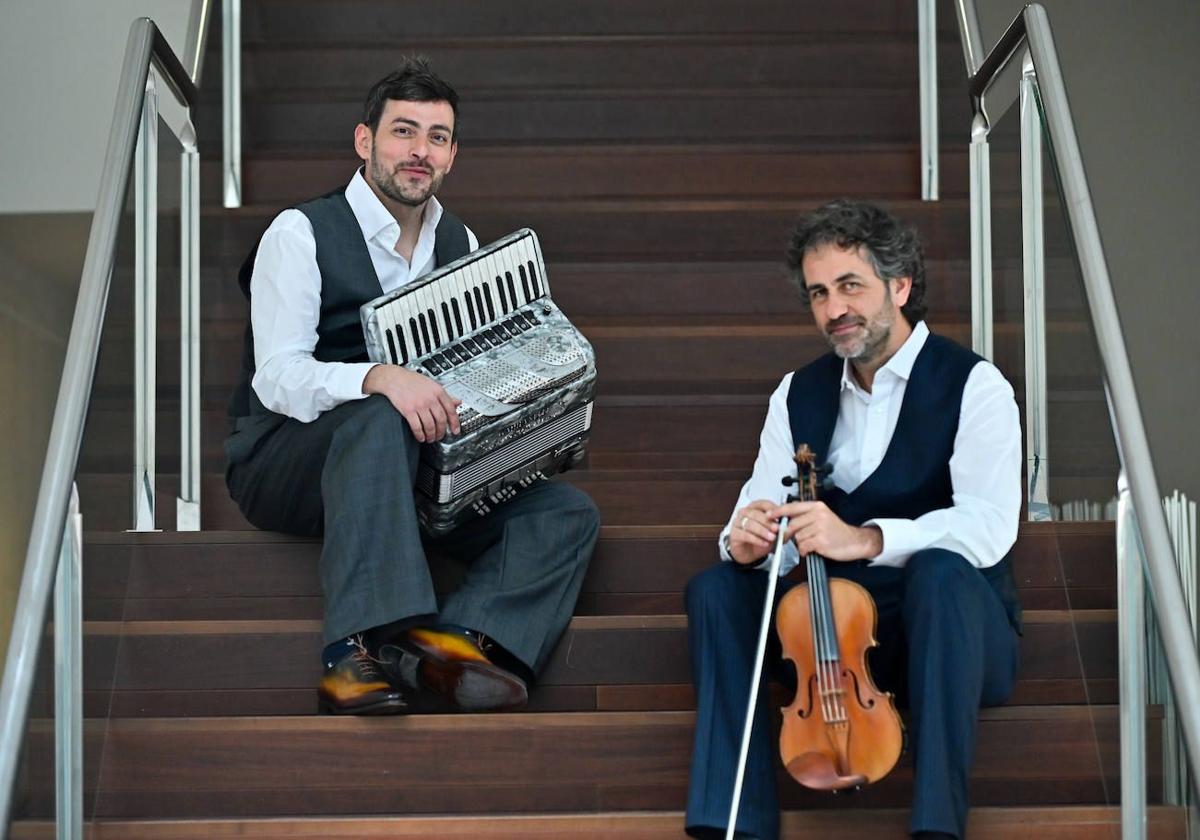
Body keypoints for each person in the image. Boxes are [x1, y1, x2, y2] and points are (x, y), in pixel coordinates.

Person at [223, 57, 600, 717]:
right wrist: (379, 378)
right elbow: (277, 376)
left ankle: (453, 643)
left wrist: (529, 416)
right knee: (379, 417)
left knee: (566, 513)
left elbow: (480, 376)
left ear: (453, 155)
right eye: (403, 131)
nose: (418, 151)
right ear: (365, 141)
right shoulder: (299, 232)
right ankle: (354, 650)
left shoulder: (464, 244)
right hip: (287, 460)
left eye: (436, 136)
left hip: (423, 472)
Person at [684, 200, 1023, 839]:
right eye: (818, 293)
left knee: (942, 574)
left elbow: (989, 525)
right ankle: (735, 822)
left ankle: (937, 827)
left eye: (850, 286)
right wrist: (752, 539)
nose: (833, 308)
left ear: (899, 286)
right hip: (831, 650)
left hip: (948, 639)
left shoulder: (975, 385)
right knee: (717, 588)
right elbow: (759, 504)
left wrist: (866, 539)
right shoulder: (798, 392)